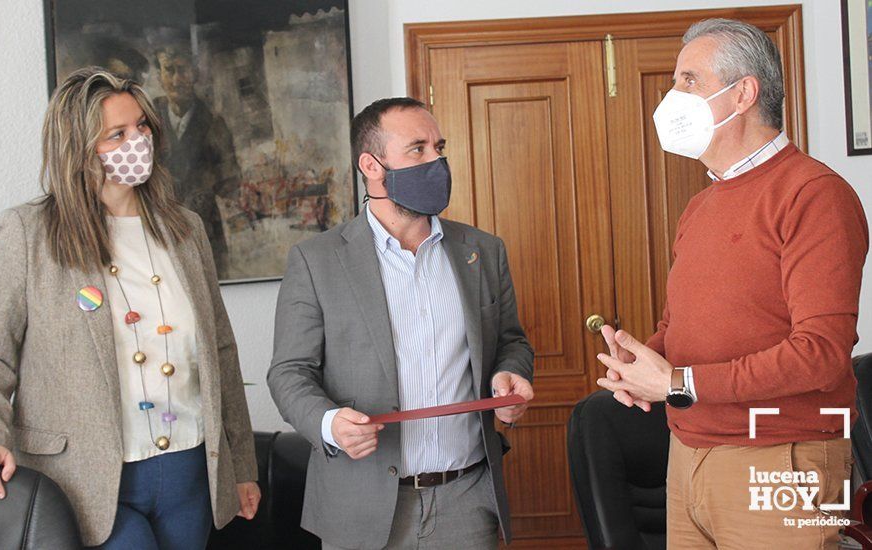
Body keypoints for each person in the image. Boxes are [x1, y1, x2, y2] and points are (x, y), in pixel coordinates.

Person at [0, 67, 260, 549]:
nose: (136, 141)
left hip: (188, 470)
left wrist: (243, 467)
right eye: (116, 134)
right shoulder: (29, 233)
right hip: (85, 476)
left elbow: (221, 351)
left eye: (141, 126)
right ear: (76, 150)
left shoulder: (185, 229)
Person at [595, 19, 868, 549]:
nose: (673, 98)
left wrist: (679, 383)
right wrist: (642, 362)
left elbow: (822, 354)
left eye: (689, 81)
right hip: (689, 457)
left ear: (743, 93)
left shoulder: (814, 194)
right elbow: (680, 325)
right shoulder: (700, 206)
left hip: (783, 460)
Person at [267, 97, 535, 549]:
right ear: (372, 165)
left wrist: (512, 374)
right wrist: (330, 423)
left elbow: (512, 342)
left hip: (467, 503)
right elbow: (288, 372)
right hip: (360, 507)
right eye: (418, 149)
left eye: (439, 146)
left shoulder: (483, 252)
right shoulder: (316, 261)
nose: (437, 160)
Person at [153, 44, 241, 279]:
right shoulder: (147, 122)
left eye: (183, 70)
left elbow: (231, 182)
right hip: (155, 231)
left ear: (194, 75)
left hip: (203, 230)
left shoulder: (213, 124)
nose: (176, 79)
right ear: (159, 76)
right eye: (168, 70)